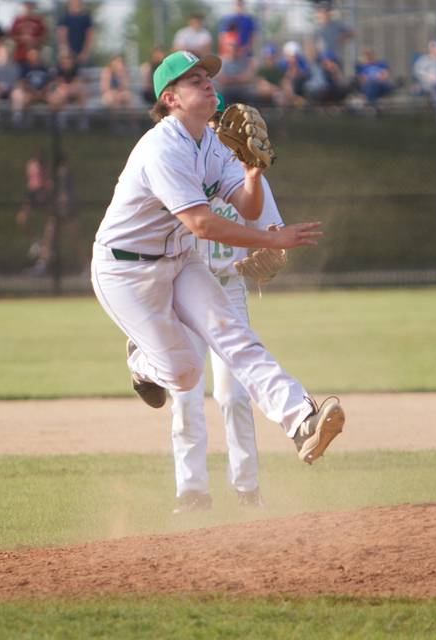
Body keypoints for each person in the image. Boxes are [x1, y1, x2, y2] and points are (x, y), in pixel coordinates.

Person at [90, 50, 346, 474]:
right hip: (125, 270)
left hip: (179, 260)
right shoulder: (161, 148)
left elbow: (245, 207)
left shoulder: (211, 143)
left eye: (208, 76)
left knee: (234, 335)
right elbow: (202, 224)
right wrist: (271, 237)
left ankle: (302, 420)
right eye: (195, 80)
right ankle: (142, 362)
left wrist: (251, 176)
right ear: (170, 99)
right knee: (185, 373)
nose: (208, 83)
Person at [168, 95, 284, 514]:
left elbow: (272, 232)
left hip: (229, 290)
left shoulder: (248, 177)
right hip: (183, 288)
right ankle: (192, 491)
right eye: (215, 122)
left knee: (233, 395)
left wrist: (266, 258)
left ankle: (248, 488)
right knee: (184, 396)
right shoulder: (178, 169)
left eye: (223, 122)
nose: (220, 129)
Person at [17, 149, 53, 265]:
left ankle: (46, 249)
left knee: (50, 221)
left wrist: (44, 192)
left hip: (42, 192)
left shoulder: (45, 167)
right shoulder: (31, 164)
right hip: (31, 193)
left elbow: (47, 179)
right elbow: (29, 179)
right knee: (22, 219)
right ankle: (36, 242)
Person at [11, 47, 53, 126]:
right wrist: (34, 92)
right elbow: (22, 83)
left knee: (53, 99)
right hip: (30, 93)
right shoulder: (25, 68)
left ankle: (52, 123)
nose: (34, 57)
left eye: (35, 55)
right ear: (28, 56)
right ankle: (25, 122)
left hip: (43, 93)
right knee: (25, 100)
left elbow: (49, 83)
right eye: (31, 55)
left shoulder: (44, 68)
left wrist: (42, 92)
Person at [49, 51, 88, 130]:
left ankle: (83, 119)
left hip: (73, 91)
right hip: (63, 92)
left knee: (82, 92)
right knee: (61, 92)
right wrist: (67, 88)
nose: (67, 60)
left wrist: (70, 87)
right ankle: (61, 120)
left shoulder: (75, 68)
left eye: (69, 58)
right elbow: (59, 83)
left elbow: (77, 82)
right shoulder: (58, 68)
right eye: (65, 58)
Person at [216, 38, 258, 104]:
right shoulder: (222, 61)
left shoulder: (245, 61)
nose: (234, 49)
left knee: (252, 96)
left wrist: (231, 79)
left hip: (242, 90)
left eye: (236, 47)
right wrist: (238, 78)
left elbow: (248, 78)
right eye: (231, 46)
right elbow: (221, 79)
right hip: (226, 90)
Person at [57, 0, 94, 66]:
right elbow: (62, 35)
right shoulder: (64, 17)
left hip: (82, 55)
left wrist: (85, 52)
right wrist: (68, 52)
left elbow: (89, 35)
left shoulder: (86, 18)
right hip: (68, 55)